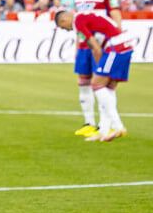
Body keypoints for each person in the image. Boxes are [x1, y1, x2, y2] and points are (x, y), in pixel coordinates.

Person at [55, 10, 130, 142]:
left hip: (115, 47)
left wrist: (98, 68)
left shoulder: (78, 21)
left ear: (64, 20)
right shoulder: (86, 15)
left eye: (64, 27)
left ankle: (118, 126)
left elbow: (95, 48)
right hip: (124, 45)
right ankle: (104, 131)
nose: (67, 30)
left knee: (96, 84)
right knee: (109, 87)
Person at [70, 0, 122, 136]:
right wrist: (78, 44)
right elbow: (78, 21)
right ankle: (89, 123)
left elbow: (115, 12)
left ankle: (105, 124)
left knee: (102, 83)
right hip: (85, 44)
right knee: (83, 82)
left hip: (104, 44)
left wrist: (116, 35)